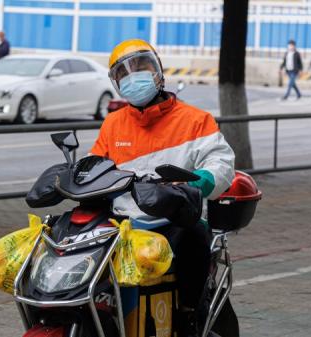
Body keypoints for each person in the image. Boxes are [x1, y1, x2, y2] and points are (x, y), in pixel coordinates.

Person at [90, 39, 235, 336]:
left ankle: (190, 315)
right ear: (116, 82)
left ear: (157, 71)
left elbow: (221, 163)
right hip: (123, 224)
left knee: (193, 234)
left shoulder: (197, 120)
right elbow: (95, 165)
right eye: (123, 72)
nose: (133, 76)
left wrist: (200, 182)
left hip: (176, 217)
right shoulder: (113, 123)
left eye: (140, 66)